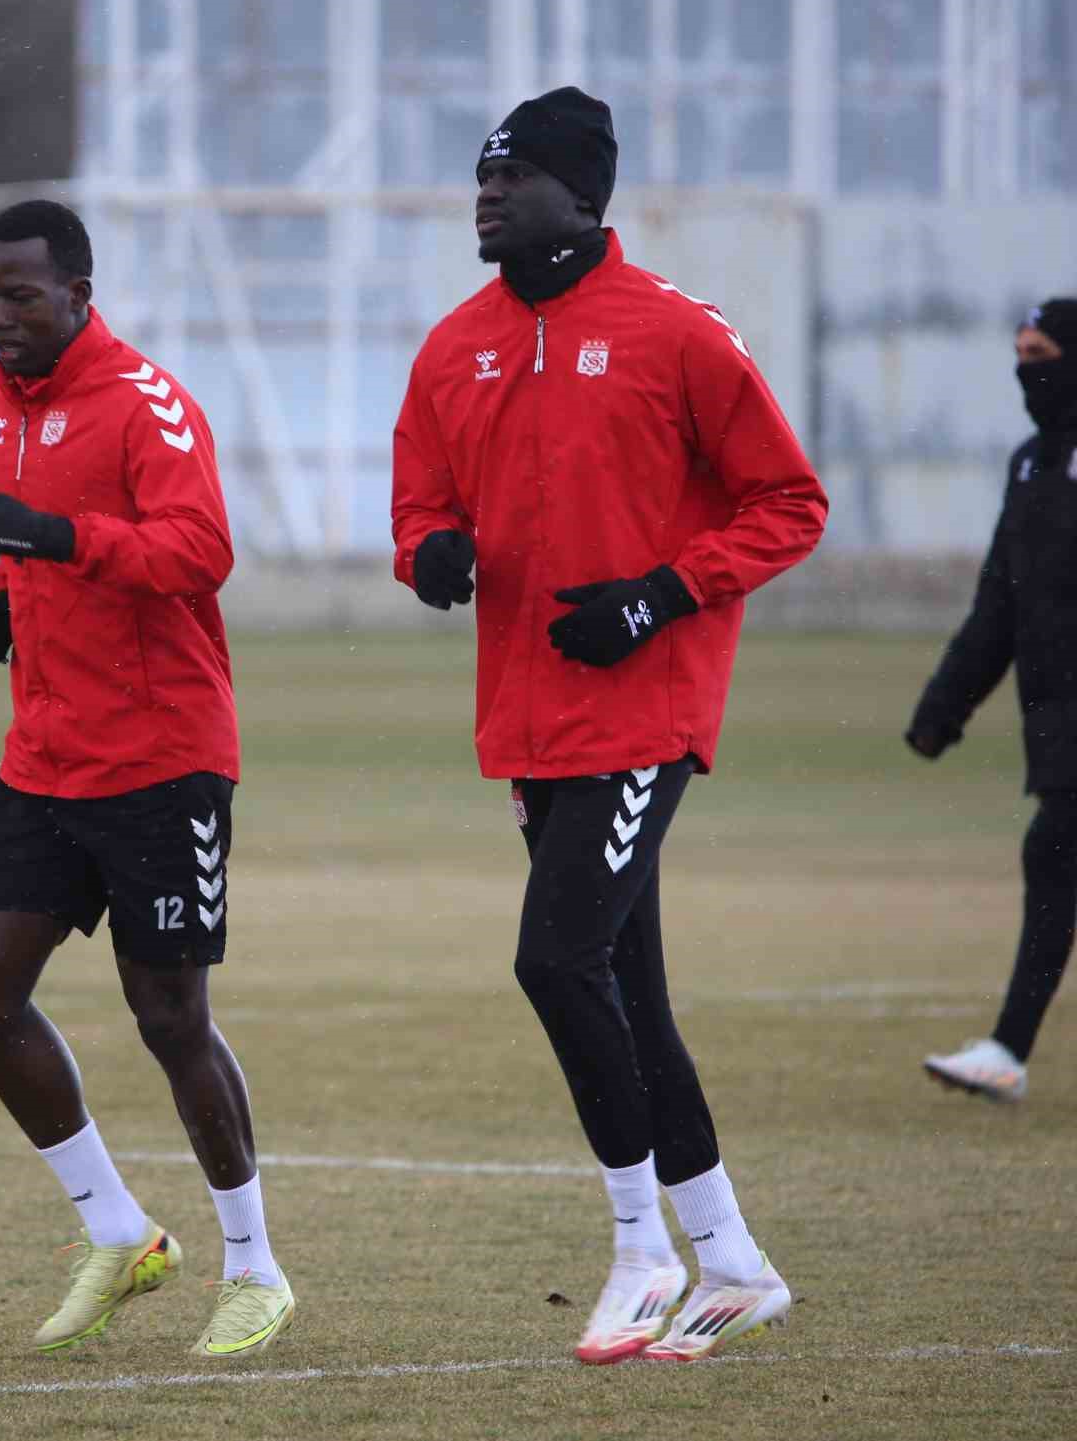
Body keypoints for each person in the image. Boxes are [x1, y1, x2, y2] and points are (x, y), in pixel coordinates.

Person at [390, 88, 828, 1364]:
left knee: (554, 960)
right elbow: (418, 495)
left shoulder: (675, 333)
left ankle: (641, 1250)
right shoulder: (451, 346)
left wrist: (655, 597)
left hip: (643, 707)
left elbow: (788, 504)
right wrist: (428, 552)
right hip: (526, 721)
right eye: (479, 179)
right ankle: (734, 1262)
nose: (484, 197)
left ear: (582, 196)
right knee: (626, 987)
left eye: (509, 178)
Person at [0, 199, 294, 1359]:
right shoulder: (2, 407)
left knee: (168, 1017)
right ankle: (121, 1232)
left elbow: (199, 553)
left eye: (20, 296)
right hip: (44, 757)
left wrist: (52, 540)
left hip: (161, 761)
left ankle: (254, 1266)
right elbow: (38, 555)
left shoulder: (148, 403)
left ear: (81, 295)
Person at [907, 298, 1077, 1103]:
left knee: (1053, 851)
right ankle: (1007, 1050)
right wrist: (945, 703)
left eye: (1042, 351)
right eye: (1020, 352)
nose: (1027, 369)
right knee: (1054, 853)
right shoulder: (1030, 464)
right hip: (1058, 716)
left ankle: (1008, 1049)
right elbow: (1000, 604)